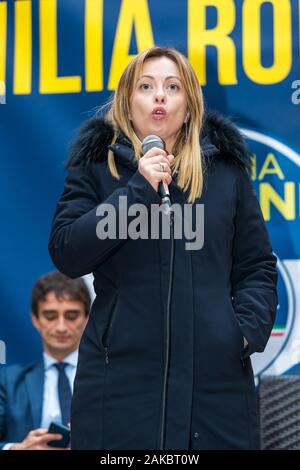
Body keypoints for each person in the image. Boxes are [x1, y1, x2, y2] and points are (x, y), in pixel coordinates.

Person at [48, 46, 278, 450]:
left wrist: (240, 334)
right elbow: (68, 252)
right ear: (127, 102)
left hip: (214, 388)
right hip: (118, 386)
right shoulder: (97, 167)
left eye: (172, 87)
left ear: (188, 107)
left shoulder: (225, 173)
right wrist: (137, 189)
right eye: (146, 85)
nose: (159, 96)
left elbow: (256, 266)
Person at [0, 271, 91, 450]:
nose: (61, 327)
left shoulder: (109, 380)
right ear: (35, 319)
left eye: (71, 316)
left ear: (87, 319)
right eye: (50, 315)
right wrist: (17, 449)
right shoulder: (7, 381)